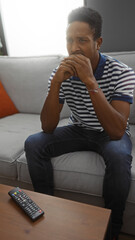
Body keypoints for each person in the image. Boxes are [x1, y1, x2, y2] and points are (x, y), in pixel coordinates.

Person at [25, 7, 135, 240]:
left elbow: (116, 130)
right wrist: (55, 84)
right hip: (79, 128)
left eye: (82, 40)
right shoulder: (61, 73)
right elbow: (47, 127)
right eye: (69, 40)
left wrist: (90, 81)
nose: (74, 47)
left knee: (118, 155)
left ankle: (111, 229)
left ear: (98, 42)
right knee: (34, 143)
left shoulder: (123, 73)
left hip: (109, 133)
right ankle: (46, 212)